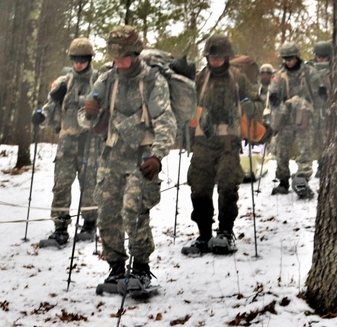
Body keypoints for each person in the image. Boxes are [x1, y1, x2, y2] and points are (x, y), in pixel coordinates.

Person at [79, 25, 176, 293]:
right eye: (115, 57)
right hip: (111, 159)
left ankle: (141, 269)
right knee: (107, 214)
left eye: (124, 57)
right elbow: (86, 119)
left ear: (135, 54)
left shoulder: (152, 81)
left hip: (141, 160)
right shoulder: (107, 78)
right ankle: (116, 269)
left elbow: (166, 121)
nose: (119, 62)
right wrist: (89, 112)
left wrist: (157, 156)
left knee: (133, 212)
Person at [180, 34, 263, 256]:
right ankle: (204, 234)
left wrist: (248, 108)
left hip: (228, 142)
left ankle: (226, 232)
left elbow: (258, 103)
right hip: (203, 142)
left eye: (219, 57)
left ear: (227, 57)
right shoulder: (200, 78)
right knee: (199, 188)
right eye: (211, 57)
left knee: (227, 187)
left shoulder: (239, 78)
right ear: (207, 58)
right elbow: (188, 106)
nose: (215, 61)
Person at [33, 37, 102, 247]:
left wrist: (81, 101)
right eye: (75, 59)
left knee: (89, 184)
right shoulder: (64, 81)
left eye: (83, 59)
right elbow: (51, 106)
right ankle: (60, 227)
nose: (79, 63)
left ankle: (90, 223)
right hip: (66, 141)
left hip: (89, 141)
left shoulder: (99, 80)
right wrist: (41, 117)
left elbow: (103, 107)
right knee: (61, 185)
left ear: (89, 59)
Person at [268, 42, 324, 199]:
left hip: (304, 118)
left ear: (297, 57)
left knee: (305, 149)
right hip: (285, 119)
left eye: (291, 58)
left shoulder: (310, 73)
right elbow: (273, 95)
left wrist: (319, 94)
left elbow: (318, 95)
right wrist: (275, 100)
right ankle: (283, 181)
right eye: (286, 59)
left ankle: (302, 178)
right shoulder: (279, 76)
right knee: (281, 150)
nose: (288, 62)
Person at [306, 40, 332, 179]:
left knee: (325, 138)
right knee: (308, 139)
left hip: (326, 108)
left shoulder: (335, 69)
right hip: (311, 108)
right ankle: (305, 169)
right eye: (319, 56)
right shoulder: (308, 69)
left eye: (324, 57)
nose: (321, 59)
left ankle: (323, 166)